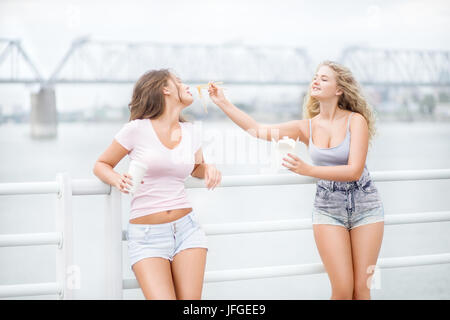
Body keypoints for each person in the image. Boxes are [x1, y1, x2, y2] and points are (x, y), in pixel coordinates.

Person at [208, 61, 384, 300]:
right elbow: (258, 130)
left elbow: (354, 171)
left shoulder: (356, 121)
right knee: (342, 290)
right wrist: (222, 102)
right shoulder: (305, 128)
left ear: (339, 89)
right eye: (315, 77)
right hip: (328, 209)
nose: (316, 81)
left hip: (366, 207)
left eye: (324, 78)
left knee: (362, 290)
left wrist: (308, 169)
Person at [93, 69, 222, 300]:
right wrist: (117, 179)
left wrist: (209, 168)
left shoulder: (191, 131)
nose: (187, 86)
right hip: (146, 236)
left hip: (187, 230)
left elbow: (196, 168)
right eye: (179, 82)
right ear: (165, 89)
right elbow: (102, 164)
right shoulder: (136, 129)